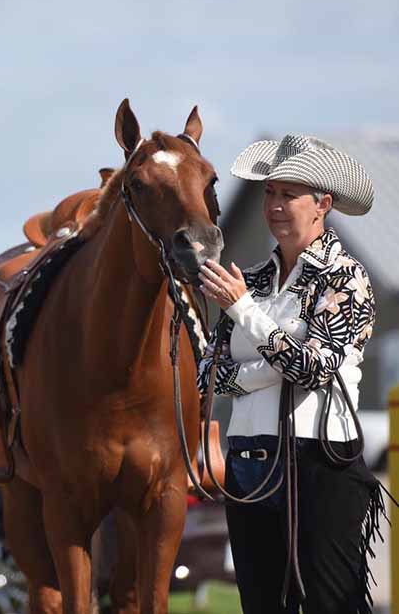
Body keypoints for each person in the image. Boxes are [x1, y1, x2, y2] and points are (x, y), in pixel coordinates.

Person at [197, 134, 383, 614]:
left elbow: (314, 369)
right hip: (247, 461)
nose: (274, 205)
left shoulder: (346, 278)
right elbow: (206, 375)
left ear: (322, 203)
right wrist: (276, 365)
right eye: (269, 193)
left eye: (288, 194)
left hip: (318, 461)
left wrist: (244, 313)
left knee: (331, 602)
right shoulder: (252, 278)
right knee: (260, 604)